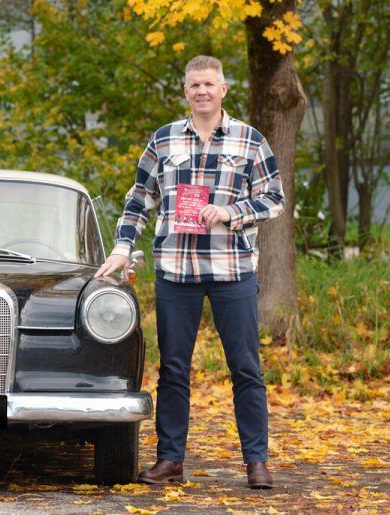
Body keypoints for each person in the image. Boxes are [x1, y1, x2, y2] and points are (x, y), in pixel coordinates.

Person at [94, 55, 284, 489]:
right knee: (174, 369)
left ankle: (256, 462)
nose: (202, 91)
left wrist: (231, 211)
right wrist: (123, 248)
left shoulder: (250, 141)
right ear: (186, 91)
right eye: (194, 84)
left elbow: (275, 200)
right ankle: (170, 460)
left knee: (246, 368)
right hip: (176, 272)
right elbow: (138, 201)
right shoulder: (163, 142)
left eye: (209, 84)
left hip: (232, 269)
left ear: (223, 89)